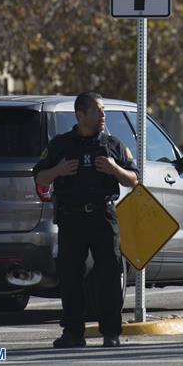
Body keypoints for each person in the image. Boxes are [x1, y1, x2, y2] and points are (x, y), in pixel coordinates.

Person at [34, 92, 138, 349]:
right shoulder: (61, 145)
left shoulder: (113, 144)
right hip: (71, 218)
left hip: (103, 216)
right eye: (97, 111)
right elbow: (40, 178)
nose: (103, 115)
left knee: (111, 275)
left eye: (103, 111)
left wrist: (115, 169)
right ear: (81, 115)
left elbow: (134, 180)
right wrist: (59, 170)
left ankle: (111, 332)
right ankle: (72, 333)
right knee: (70, 276)